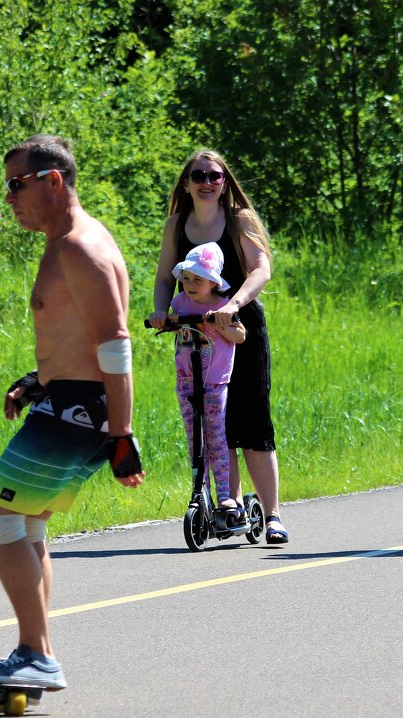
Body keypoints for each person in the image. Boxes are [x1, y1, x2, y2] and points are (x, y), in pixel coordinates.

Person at [0, 135, 144, 691]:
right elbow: (77, 337)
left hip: (79, 410)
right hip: (66, 399)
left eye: (16, 185)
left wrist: (123, 434)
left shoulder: (76, 247)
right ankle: (34, 650)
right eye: (6, 188)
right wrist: (34, 381)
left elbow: (116, 343)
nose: (9, 199)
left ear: (53, 181)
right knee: (27, 522)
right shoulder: (68, 240)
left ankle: (36, 656)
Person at [148, 150, 289, 543]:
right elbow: (163, 277)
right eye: (199, 175)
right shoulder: (177, 225)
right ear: (187, 182)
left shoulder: (239, 219)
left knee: (253, 420)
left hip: (240, 325)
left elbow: (261, 269)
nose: (207, 182)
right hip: (196, 330)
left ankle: (273, 513)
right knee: (215, 424)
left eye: (215, 175)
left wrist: (233, 305)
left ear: (225, 181)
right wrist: (162, 312)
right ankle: (229, 504)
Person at [167, 242, 248, 523]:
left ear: (213, 281)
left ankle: (225, 494)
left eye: (197, 279)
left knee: (215, 437)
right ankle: (200, 492)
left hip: (214, 381)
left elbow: (240, 336)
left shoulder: (224, 306)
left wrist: (222, 324)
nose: (189, 284)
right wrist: (161, 319)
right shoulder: (180, 302)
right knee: (194, 439)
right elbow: (168, 319)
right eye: (187, 278)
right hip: (187, 378)